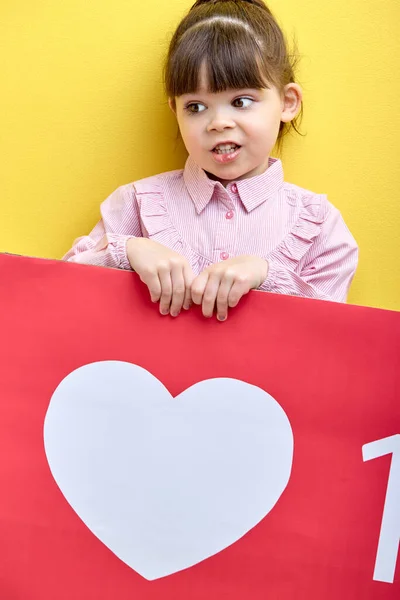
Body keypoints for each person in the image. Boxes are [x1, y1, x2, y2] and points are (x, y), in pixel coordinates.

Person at [63, 0, 358, 321]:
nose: (218, 122)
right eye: (196, 107)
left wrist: (266, 274)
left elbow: (329, 334)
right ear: (175, 111)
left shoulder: (320, 227)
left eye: (241, 101)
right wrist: (128, 251)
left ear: (287, 102)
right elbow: (58, 291)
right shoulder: (135, 204)